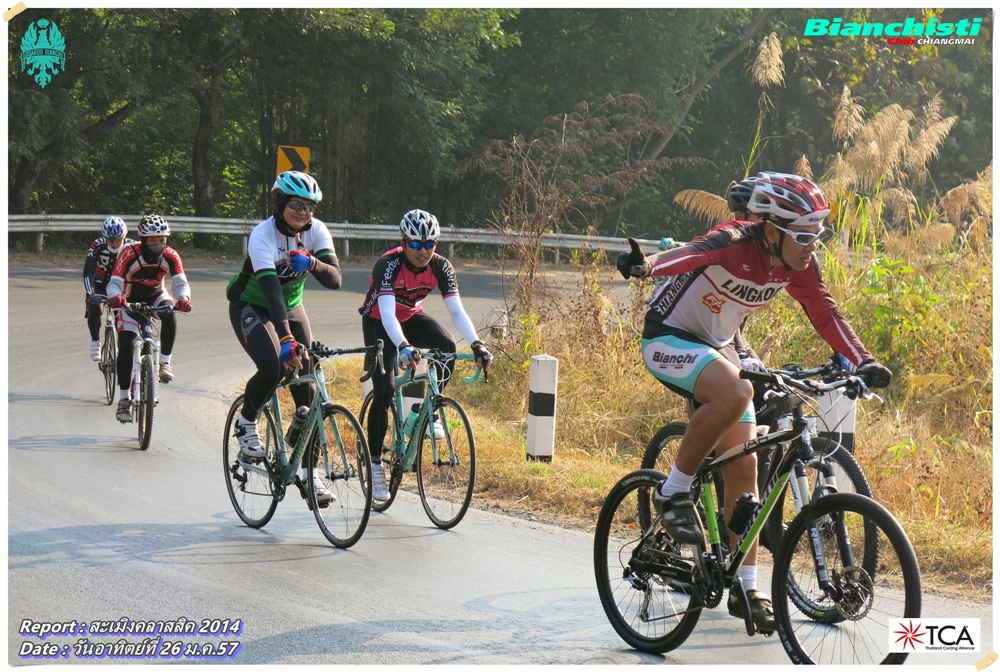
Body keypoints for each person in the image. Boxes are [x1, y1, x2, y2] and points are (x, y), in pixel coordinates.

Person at [617, 172, 892, 633]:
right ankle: (672, 491)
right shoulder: (735, 240)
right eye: (803, 235)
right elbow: (691, 253)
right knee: (737, 392)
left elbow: (824, 311)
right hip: (669, 337)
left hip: (719, 347)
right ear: (772, 230)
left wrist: (863, 361)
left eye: (817, 234)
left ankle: (745, 587)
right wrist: (648, 266)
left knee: (745, 468)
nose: (812, 245)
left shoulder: (798, 264)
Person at [359, 209, 493, 502]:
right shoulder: (388, 265)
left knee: (447, 345)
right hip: (379, 321)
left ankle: (428, 410)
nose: (423, 251)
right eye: (416, 244)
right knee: (385, 390)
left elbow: (456, 311)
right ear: (403, 243)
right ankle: (375, 464)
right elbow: (388, 314)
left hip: (410, 317)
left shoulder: (441, 266)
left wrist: (476, 343)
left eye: (429, 244)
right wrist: (403, 346)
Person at [226, 171, 342, 506]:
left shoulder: (316, 230)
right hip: (253, 304)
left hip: (292, 307)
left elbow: (335, 279)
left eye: (309, 206)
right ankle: (246, 420)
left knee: (310, 391)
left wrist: (313, 262)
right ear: (280, 204)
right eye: (296, 205)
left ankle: (311, 475)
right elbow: (272, 292)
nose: (303, 212)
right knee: (274, 365)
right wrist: (287, 338)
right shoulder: (262, 236)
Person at [107, 214, 193, 422]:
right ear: (143, 240)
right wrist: (115, 297)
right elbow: (115, 282)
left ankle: (164, 364)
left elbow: (180, 283)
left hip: (156, 296)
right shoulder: (128, 253)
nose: (158, 244)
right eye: (153, 240)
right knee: (126, 346)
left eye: (162, 240)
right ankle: (124, 399)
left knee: (170, 311)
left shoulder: (171, 255)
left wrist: (183, 298)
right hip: (128, 301)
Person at [84, 217, 135, 360]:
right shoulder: (97, 245)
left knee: (125, 313)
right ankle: (95, 342)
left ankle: (123, 345)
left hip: (121, 284)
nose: (115, 243)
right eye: (111, 241)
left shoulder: (132, 246)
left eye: (118, 240)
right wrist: (90, 292)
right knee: (95, 307)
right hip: (100, 282)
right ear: (105, 238)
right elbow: (88, 271)